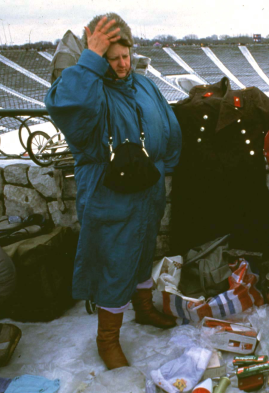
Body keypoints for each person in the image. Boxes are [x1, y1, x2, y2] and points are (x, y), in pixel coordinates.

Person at [45, 13, 182, 370]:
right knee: (114, 262)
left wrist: (162, 166)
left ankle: (143, 307)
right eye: (113, 57)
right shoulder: (90, 89)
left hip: (146, 190)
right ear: (99, 58)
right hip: (110, 192)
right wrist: (90, 58)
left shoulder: (141, 84)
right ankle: (107, 339)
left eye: (126, 55)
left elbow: (168, 124)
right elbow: (65, 103)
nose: (122, 64)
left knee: (141, 252)